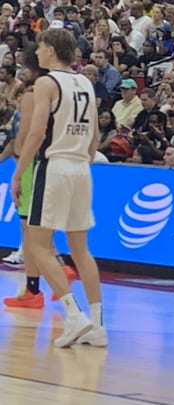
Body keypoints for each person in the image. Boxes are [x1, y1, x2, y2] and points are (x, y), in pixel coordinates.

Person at [11, 28, 105, 348]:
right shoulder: (86, 83)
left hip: (54, 166)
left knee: (38, 245)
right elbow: (94, 137)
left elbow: (36, 134)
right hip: (81, 167)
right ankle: (98, 325)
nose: (36, 53)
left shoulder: (46, 83)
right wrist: (82, 162)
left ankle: (74, 315)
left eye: (39, 47)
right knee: (81, 250)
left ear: (50, 49)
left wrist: (18, 173)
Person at [3, 43, 77, 309]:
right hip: (47, 163)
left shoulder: (34, 95)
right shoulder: (56, 91)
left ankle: (58, 269)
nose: (20, 71)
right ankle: (34, 288)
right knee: (33, 229)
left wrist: (19, 168)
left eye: (24, 66)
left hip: (32, 165)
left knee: (31, 231)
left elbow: (25, 136)